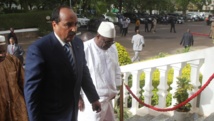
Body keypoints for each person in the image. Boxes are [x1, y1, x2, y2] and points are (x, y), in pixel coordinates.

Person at [24, 6, 101, 121]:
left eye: (75, 24)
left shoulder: (78, 43)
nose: (74, 29)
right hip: (51, 116)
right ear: (54, 25)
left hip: (73, 113)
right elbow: (32, 93)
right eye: (68, 25)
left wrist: (93, 98)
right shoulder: (39, 50)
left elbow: (83, 71)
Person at [78, 21, 122, 121]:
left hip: (109, 97)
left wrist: (116, 88)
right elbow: (77, 74)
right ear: (98, 36)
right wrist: (79, 97)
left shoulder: (112, 48)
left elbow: (116, 68)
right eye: (107, 41)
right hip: (91, 100)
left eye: (112, 42)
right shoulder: (85, 48)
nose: (110, 44)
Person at [0, 35, 28, 121]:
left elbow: (25, 85)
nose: (1, 54)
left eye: (3, 51)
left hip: (18, 112)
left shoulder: (13, 61)